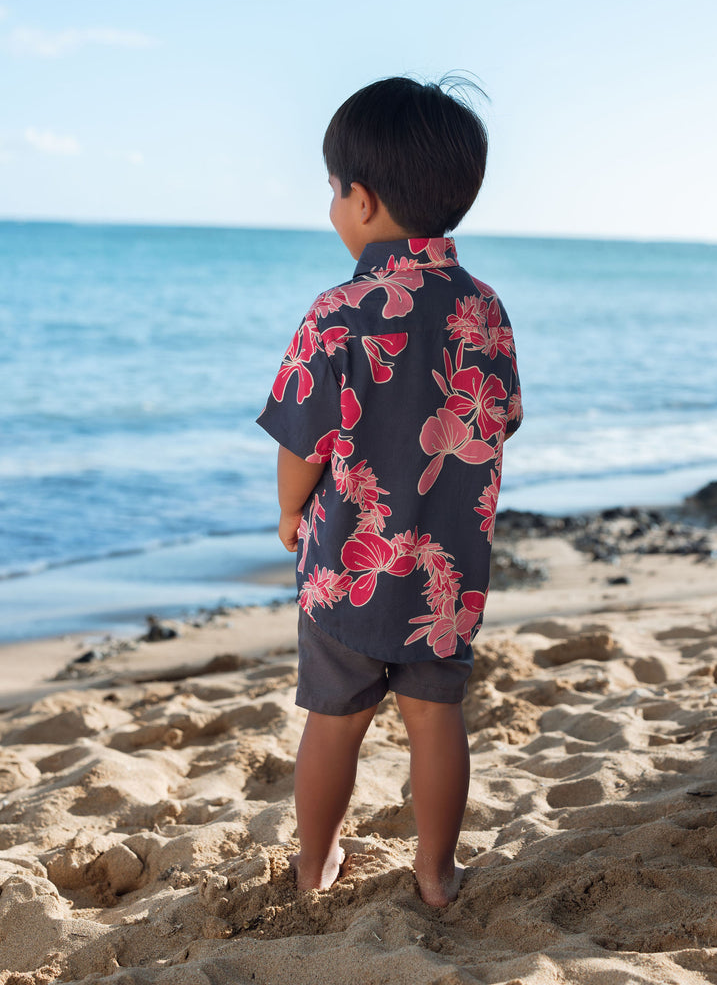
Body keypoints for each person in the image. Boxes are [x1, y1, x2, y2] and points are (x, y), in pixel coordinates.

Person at [257, 76, 522, 907]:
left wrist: (290, 511)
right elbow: (500, 419)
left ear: (362, 201)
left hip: (347, 566)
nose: (332, 207)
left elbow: (304, 439)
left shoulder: (337, 312)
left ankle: (314, 869)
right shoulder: (484, 308)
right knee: (436, 720)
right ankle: (437, 874)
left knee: (333, 722)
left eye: (333, 191)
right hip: (445, 571)